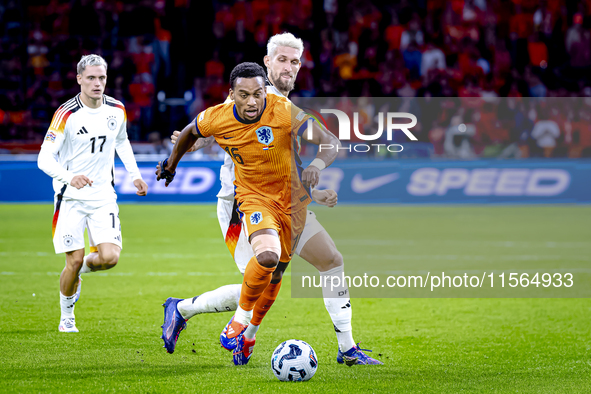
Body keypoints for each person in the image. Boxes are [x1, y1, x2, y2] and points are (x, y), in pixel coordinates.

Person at [164, 33, 382, 365]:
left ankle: (346, 349)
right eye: (282, 59)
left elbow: (309, 150)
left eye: (295, 61)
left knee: (321, 262)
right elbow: (208, 130)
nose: (289, 67)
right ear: (267, 62)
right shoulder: (248, 94)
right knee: (263, 273)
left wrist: (313, 185)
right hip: (243, 203)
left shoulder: (285, 107)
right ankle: (184, 309)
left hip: (290, 201)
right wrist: (182, 152)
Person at [38, 54, 148, 333]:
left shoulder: (117, 109)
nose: (97, 83)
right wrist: (68, 177)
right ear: (79, 80)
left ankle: (79, 272)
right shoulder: (66, 114)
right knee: (71, 260)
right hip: (70, 198)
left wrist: (135, 175)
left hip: (103, 197)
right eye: (91, 78)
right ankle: (67, 316)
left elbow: (121, 141)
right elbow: (44, 159)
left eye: (101, 78)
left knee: (110, 258)